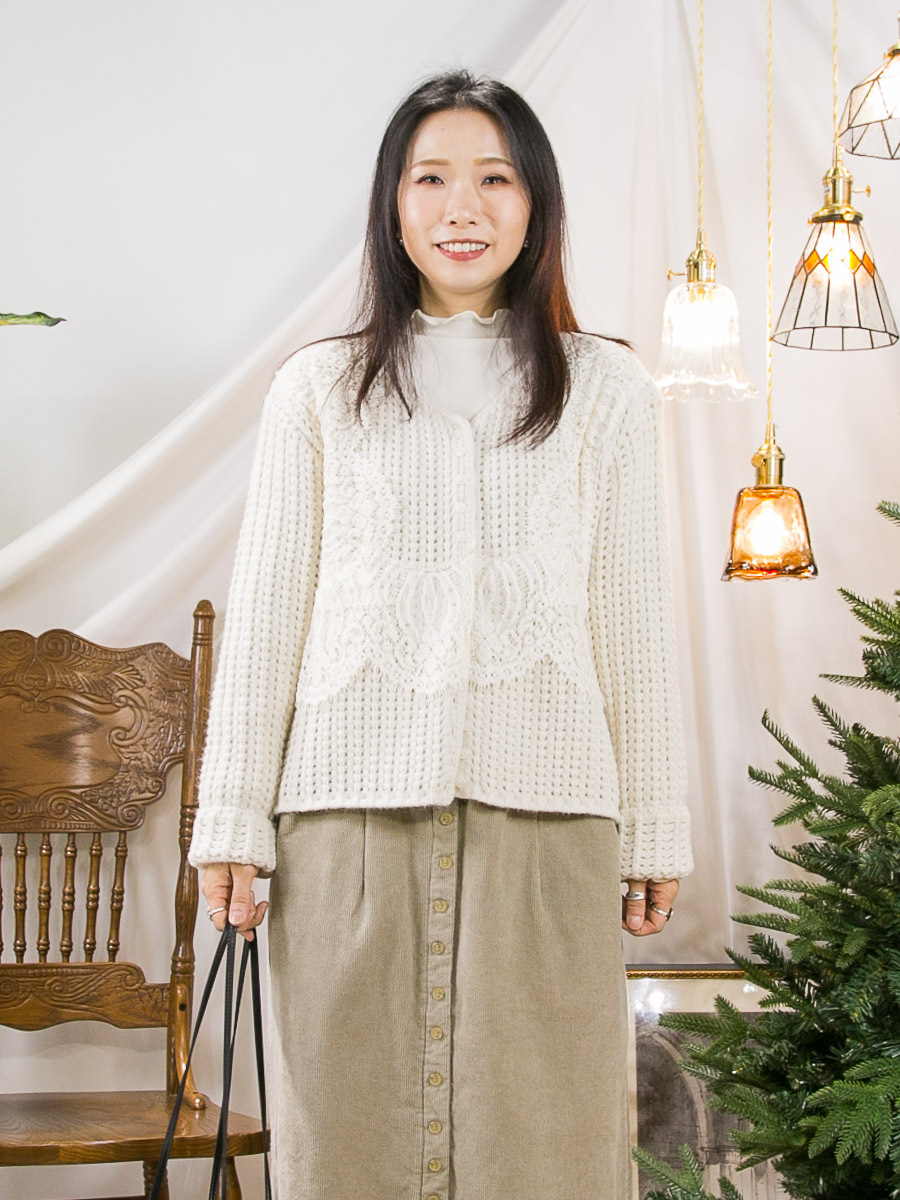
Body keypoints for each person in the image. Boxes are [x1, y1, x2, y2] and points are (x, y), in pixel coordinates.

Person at [188, 68, 692, 1200]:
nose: (462, 208)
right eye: (431, 179)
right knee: (347, 1147)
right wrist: (231, 819)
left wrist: (656, 819)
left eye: (494, 179)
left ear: (536, 202)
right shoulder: (317, 390)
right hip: (345, 821)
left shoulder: (607, 388)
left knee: (548, 1153)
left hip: (549, 818)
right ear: (393, 203)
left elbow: (634, 618)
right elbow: (267, 617)